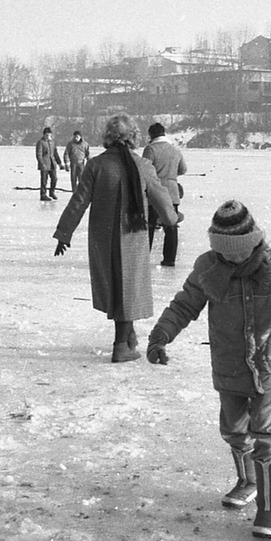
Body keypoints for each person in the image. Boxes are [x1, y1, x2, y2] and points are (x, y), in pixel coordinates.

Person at [147, 200, 271, 539]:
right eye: (224, 253)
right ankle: (249, 481)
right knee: (233, 429)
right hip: (229, 365)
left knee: (265, 432)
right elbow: (184, 304)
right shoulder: (208, 267)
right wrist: (161, 336)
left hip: (269, 364)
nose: (230, 258)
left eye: (237, 253)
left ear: (252, 243)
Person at [53, 114, 176, 362]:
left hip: (103, 237)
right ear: (133, 137)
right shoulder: (142, 166)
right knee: (127, 286)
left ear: (107, 137)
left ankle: (128, 339)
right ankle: (121, 345)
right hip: (134, 235)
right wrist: (172, 218)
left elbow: (79, 201)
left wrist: (64, 233)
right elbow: (160, 198)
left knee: (116, 286)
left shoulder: (96, 166)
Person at [142, 122, 188, 267]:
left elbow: (144, 169)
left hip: (154, 191)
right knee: (171, 225)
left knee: (149, 225)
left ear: (151, 135)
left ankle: (144, 258)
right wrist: (171, 176)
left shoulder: (150, 149)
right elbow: (183, 169)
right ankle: (170, 259)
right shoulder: (175, 150)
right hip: (172, 192)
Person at [35, 126, 65, 201]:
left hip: (52, 164)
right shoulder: (40, 142)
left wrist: (60, 163)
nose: (48, 136)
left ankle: (52, 192)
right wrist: (42, 164)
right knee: (44, 181)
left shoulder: (52, 142)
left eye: (49, 135)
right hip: (44, 164)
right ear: (44, 135)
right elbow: (39, 155)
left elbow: (55, 153)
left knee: (54, 179)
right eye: (47, 135)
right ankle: (43, 195)